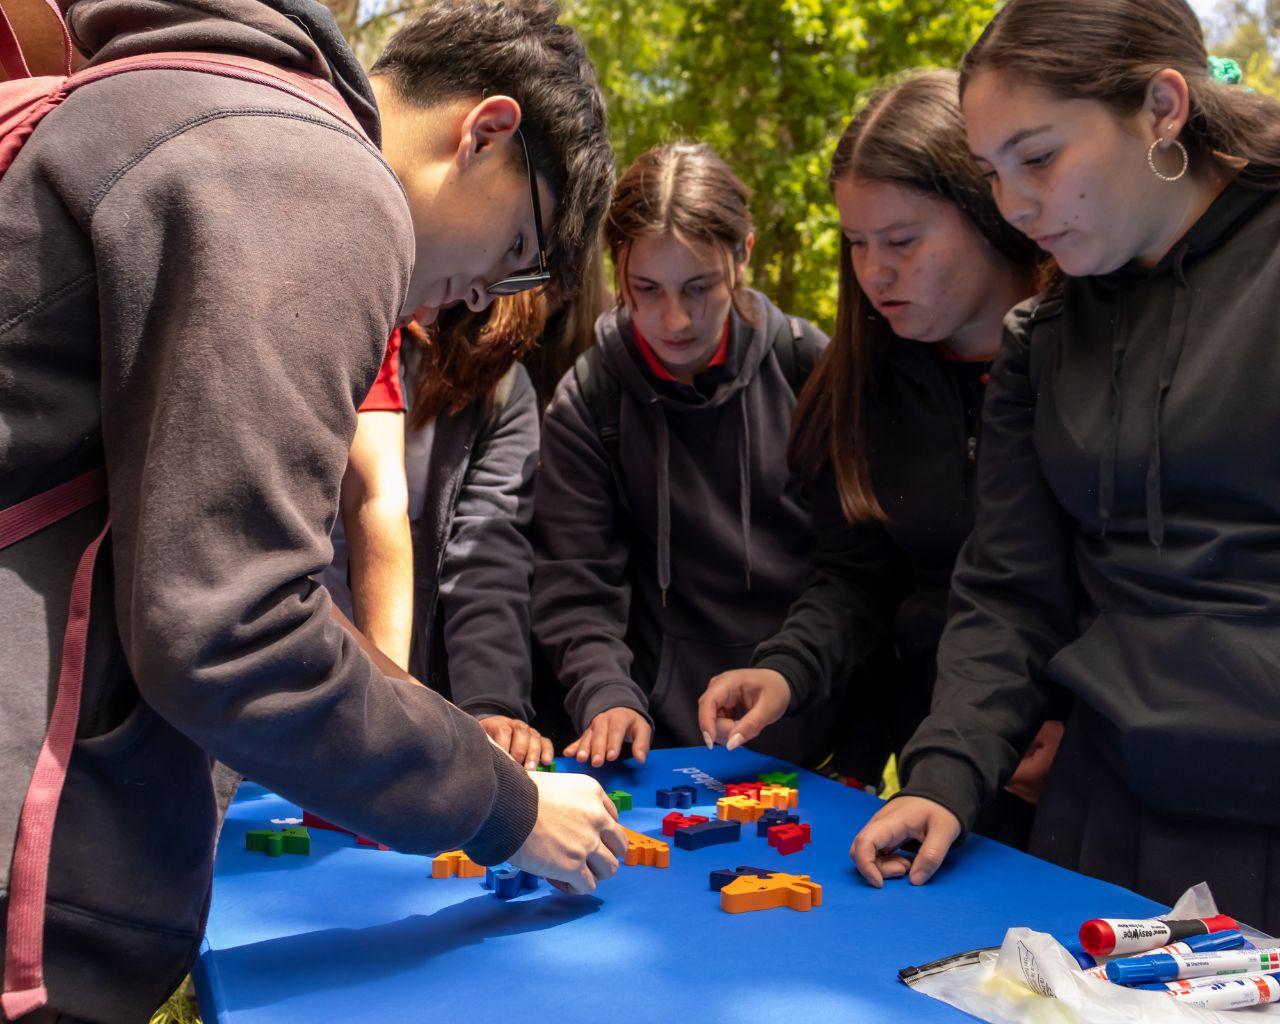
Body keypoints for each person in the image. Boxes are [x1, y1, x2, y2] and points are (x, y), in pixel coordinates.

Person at [0, 1, 625, 1019]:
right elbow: (235, 628)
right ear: (488, 130)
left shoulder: (192, 103)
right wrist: (503, 807)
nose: (480, 296)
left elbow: (201, 559)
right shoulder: (313, 175)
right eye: (517, 244)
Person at [851, 0, 1280, 934]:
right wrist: (948, 774)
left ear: (1163, 107)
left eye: (1039, 158)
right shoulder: (1041, 340)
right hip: (1099, 827)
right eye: (993, 172)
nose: (1015, 206)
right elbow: (1009, 591)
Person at [697, 70, 1059, 844]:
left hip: (1088, 775)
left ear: (990, 212)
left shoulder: (1087, 356)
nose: (875, 273)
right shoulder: (859, 377)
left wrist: (1088, 726)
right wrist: (787, 670)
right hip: (935, 766)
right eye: (856, 244)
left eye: (901, 241)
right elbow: (857, 574)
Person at [532, 142, 834, 770]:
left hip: (817, 736)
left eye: (699, 288)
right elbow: (577, 580)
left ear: (742, 255)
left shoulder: (812, 373)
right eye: (647, 289)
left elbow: (855, 574)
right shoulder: (591, 399)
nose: (675, 320)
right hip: (659, 741)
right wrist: (607, 694)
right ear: (619, 270)